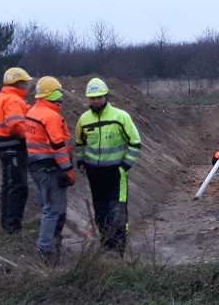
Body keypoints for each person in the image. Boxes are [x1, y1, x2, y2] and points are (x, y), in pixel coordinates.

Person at [74, 77, 141, 256]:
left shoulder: (120, 117)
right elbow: (80, 144)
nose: (95, 101)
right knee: (101, 212)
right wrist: (80, 162)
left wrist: (125, 165)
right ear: (88, 99)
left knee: (117, 212)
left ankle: (118, 249)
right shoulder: (84, 120)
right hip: (94, 175)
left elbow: (135, 142)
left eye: (99, 97)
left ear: (105, 96)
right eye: (92, 98)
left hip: (116, 174)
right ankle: (106, 245)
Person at [24, 76, 76, 264]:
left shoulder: (33, 111)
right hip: (49, 169)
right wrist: (68, 169)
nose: (62, 94)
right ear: (52, 93)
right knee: (53, 210)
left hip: (37, 167)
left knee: (53, 208)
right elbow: (58, 147)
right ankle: (46, 250)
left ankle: (53, 245)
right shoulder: (50, 116)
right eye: (59, 91)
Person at [0, 67, 33, 235]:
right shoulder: (14, 100)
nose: (27, 85)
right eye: (25, 82)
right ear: (18, 83)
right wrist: (33, 136)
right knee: (18, 187)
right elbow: (15, 125)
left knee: (8, 185)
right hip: (14, 147)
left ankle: (6, 224)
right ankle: (13, 228)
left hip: (4, 148)